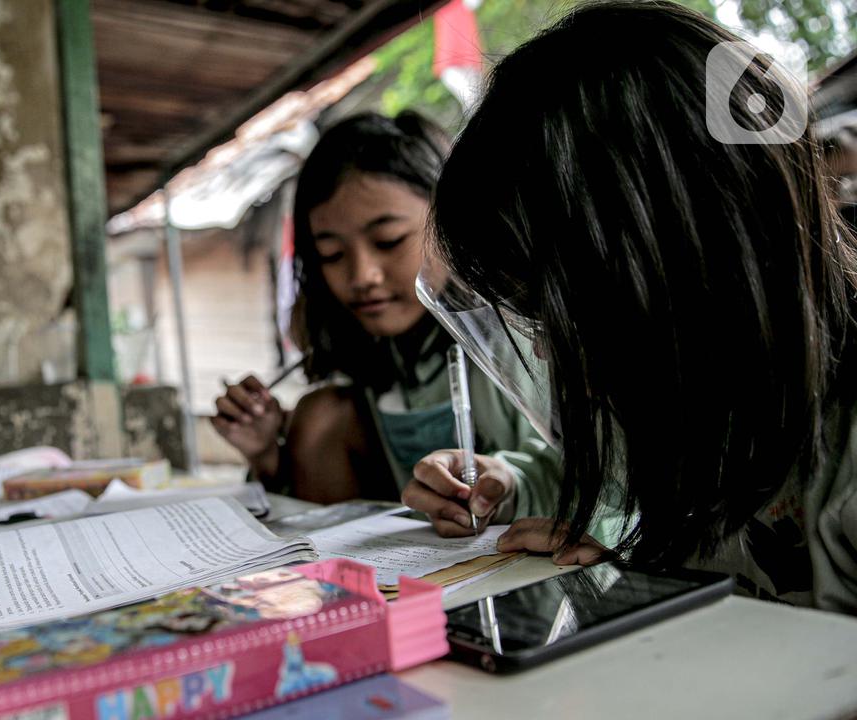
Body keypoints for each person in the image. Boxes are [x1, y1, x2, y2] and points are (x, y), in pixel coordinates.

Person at [406, 0, 857, 612]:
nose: (542, 347)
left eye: (556, 308)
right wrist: (639, 568)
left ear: (696, 246)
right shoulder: (698, 401)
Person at [213, 112, 577, 534]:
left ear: (451, 219)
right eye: (331, 254)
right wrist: (267, 457)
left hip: (546, 580)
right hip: (433, 575)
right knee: (319, 415)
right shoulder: (370, 370)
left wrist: (506, 482)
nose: (362, 276)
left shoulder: (522, 335)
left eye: (388, 241)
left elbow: (595, 478)